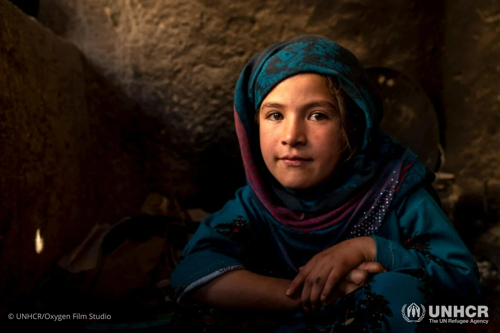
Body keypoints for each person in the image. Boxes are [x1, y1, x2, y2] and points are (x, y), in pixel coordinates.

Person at [169, 35, 481, 332]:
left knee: (399, 294)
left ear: (353, 127)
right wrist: (304, 296)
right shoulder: (258, 203)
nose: (292, 137)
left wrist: (368, 248)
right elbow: (192, 271)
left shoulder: (398, 192)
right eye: (275, 115)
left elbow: (462, 281)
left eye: (318, 115)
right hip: (289, 319)